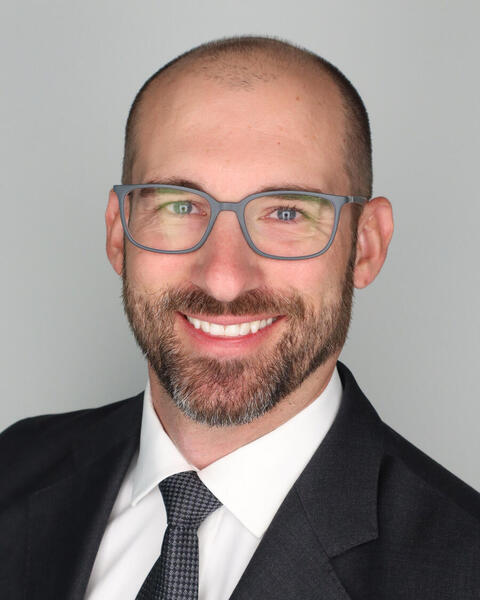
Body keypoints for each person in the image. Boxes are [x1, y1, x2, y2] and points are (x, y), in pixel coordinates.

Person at [1, 35, 479, 600]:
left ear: (367, 245)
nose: (224, 278)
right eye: (180, 206)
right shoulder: (15, 468)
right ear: (118, 233)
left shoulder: (463, 566)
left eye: (286, 212)